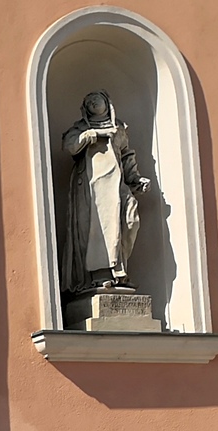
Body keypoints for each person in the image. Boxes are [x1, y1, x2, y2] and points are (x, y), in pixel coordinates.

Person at [61, 91, 153, 294]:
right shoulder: (80, 128)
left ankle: (119, 269)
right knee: (97, 228)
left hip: (117, 184)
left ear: (107, 103)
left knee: (130, 219)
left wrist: (136, 179)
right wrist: (92, 135)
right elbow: (70, 146)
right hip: (92, 186)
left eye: (97, 99)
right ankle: (100, 276)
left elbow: (126, 155)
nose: (93, 102)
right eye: (89, 101)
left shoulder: (118, 128)